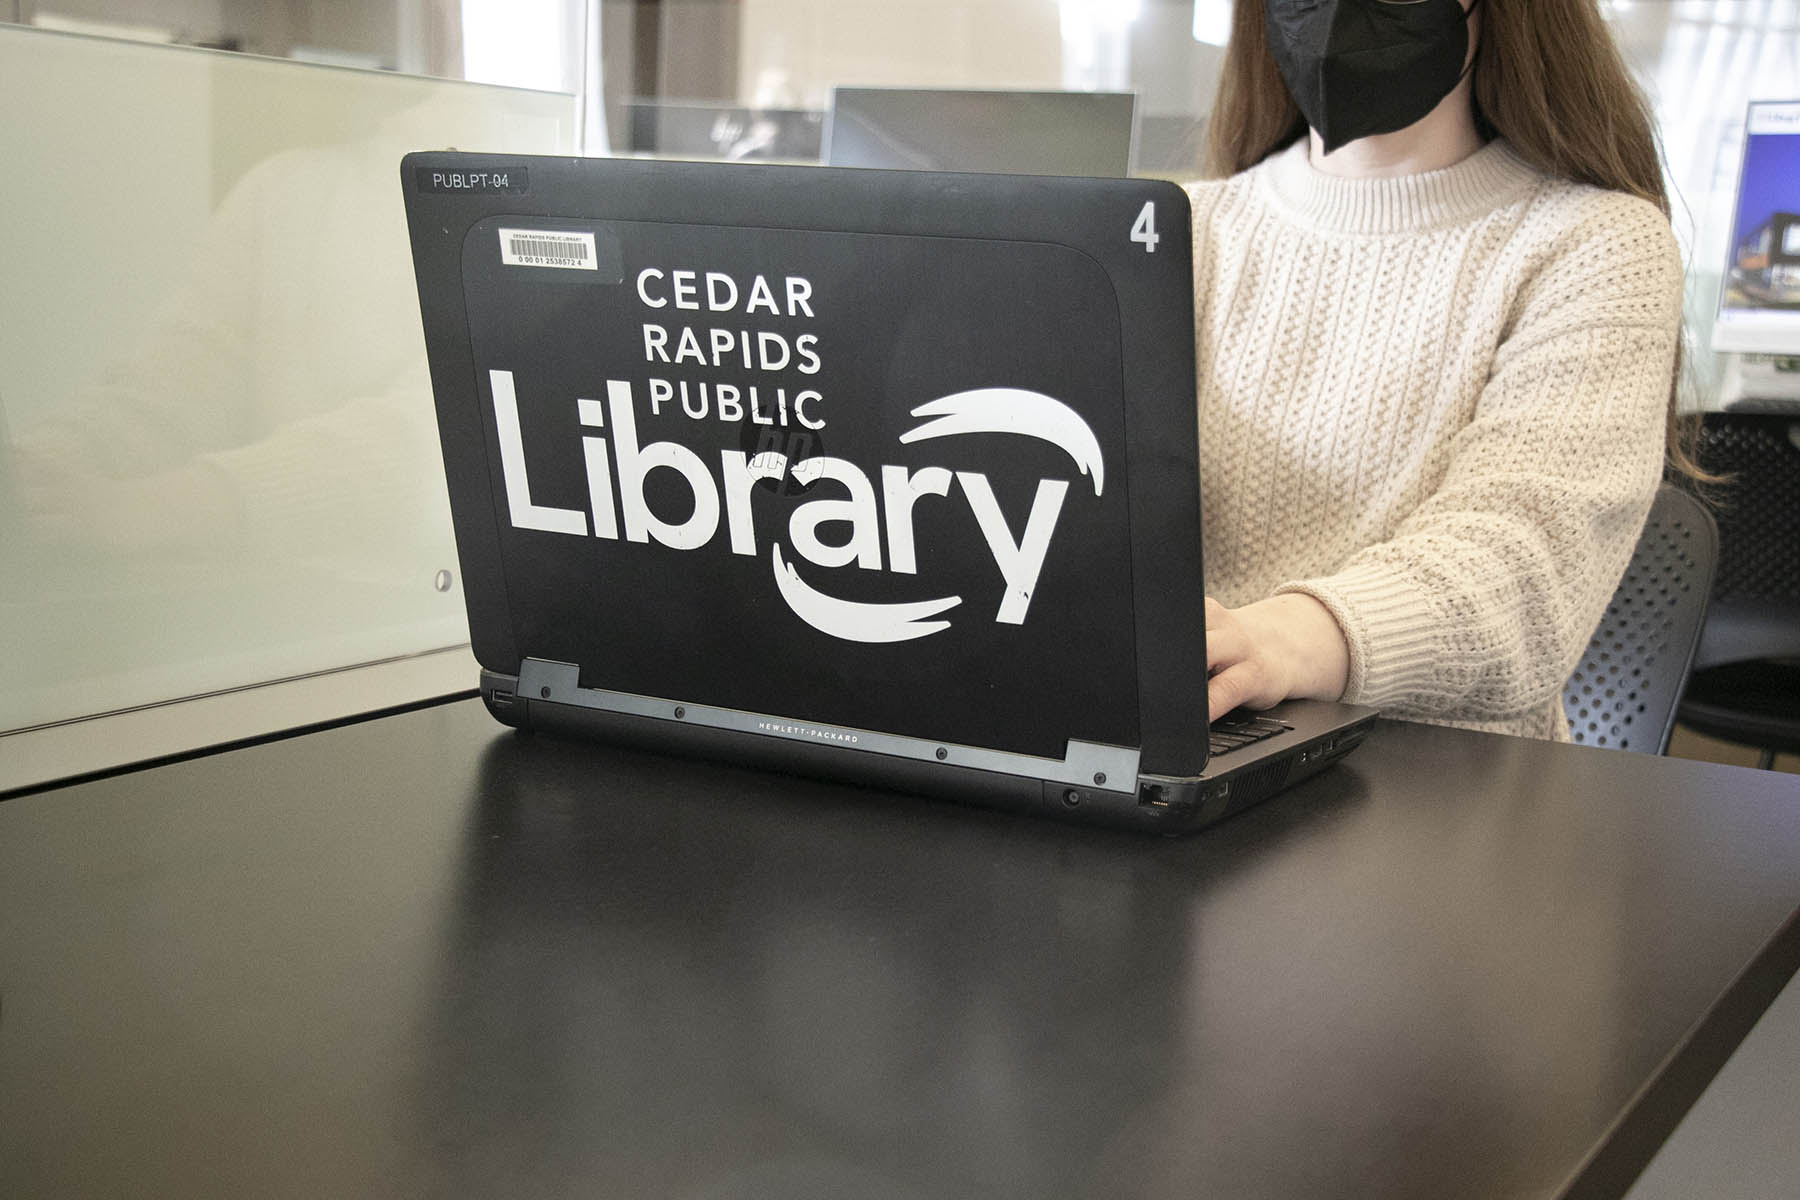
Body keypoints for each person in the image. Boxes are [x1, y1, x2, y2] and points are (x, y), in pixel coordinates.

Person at [1191, 0, 1693, 740]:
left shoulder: (1597, 245)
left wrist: (1291, 639)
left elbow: (1523, 565)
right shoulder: (1181, 230)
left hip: (1442, 780)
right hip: (1193, 754)